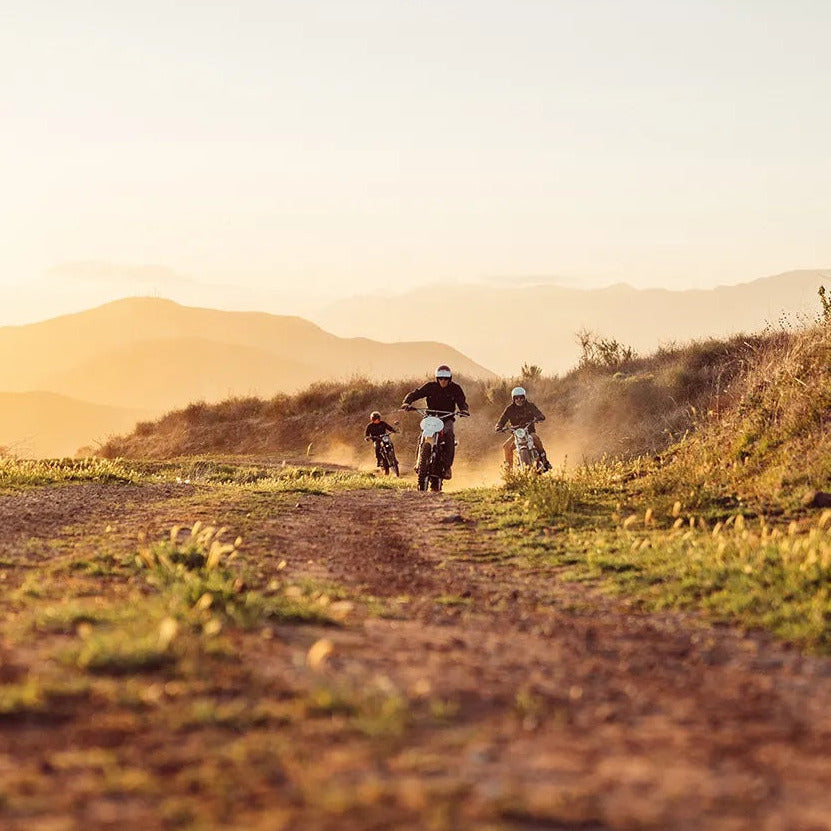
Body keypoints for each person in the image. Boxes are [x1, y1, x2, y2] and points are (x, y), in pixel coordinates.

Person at [400, 364, 469, 479]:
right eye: (440, 378)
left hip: (446, 418)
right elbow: (416, 393)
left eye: (446, 379)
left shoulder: (455, 389)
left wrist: (464, 410)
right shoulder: (430, 387)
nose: (443, 381)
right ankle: (419, 462)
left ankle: (447, 467)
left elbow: (462, 402)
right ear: (437, 378)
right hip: (431, 417)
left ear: (450, 378)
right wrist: (407, 402)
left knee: (449, 437)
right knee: (422, 435)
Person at [495, 386, 552, 470]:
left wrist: (540, 417)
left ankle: (545, 461)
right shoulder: (509, 409)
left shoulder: (530, 406)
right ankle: (509, 470)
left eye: (521, 398)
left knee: (536, 438)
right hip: (516, 434)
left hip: (529, 431)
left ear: (524, 398)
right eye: (516, 398)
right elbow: (502, 420)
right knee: (506, 446)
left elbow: (538, 413)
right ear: (513, 399)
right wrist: (499, 426)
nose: (519, 400)